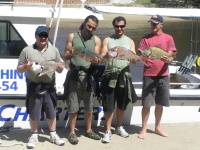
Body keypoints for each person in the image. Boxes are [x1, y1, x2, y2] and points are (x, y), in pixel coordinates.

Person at [17, 26, 65, 149]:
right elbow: (19, 69)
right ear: (36, 36)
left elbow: (60, 68)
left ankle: (53, 134)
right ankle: (34, 135)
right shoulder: (27, 50)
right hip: (34, 87)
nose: (43, 38)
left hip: (49, 87)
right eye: (40, 36)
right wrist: (26, 67)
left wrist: (60, 68)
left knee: (51, 112)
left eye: (45, 36)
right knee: (34, 113)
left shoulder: (54, 50)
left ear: (47, 36)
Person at [137, 15, 177, 139]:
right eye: (151, 23)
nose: (153, 26)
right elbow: (141, 54)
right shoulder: (145, 39)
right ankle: (143, 129)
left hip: (163, 75)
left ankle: (157, 127)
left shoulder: (168, 38)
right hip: (149, 74)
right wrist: (144, 56)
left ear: (161, 25)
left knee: (160, 103)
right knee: (146, 104)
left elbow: (173, 53)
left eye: (155, 23)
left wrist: (169, 58)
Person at [63, 15, 101, 145]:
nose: (90, 29)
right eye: (89, 26)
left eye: (93, 28)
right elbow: (65, 56)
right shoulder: (72, 36)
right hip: (75, 74)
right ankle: (72, 133)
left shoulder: (96, 39)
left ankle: (88, 130)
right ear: (84, 23)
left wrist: (96, 61)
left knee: (89, 105)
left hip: (89, 76)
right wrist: (72, 53)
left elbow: (96, 58)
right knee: (73, 105)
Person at [100, 16, 137, 143]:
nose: (119, 28)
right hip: (110, 74)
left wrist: (133, 58)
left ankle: (119, 127)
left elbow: (134, 61)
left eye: (121, 26)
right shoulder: (107, 40)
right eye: (117, 26)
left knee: (122, 103)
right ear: (114, 27)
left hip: (124, 75)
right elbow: (103, 56)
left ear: (125, 27)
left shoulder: (130, 41)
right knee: (109, 104)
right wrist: (111, 52)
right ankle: (108, 131)